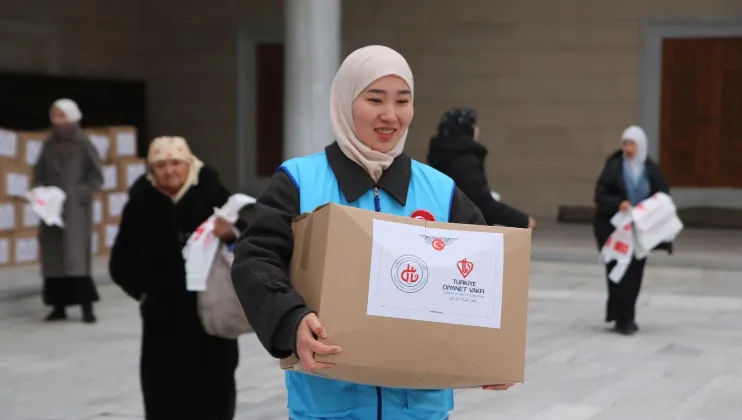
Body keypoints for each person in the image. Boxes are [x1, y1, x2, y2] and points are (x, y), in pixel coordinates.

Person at [231, 45, 513, 420]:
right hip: (329, 407)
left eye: (403, 100)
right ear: (346, 101)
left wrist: (491, 352)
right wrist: (291, 320)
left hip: (420, 410)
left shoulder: (440, 191)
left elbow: (485, 275)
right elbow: (255, 259)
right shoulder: (300, 181)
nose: (390, 115)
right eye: (375, 99)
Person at [109, 136, 243, 420]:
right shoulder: (140, 204)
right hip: (163, 319)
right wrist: (146, 292)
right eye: (161, 165)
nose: (169, 170)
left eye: (176, 163)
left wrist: (230, 235)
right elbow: (120, 262)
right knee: (165, 394)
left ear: (189, 163)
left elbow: (250, 244)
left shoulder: (214, 195)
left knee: (214, 391)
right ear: (151, 169)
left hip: (209, 313)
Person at [593, 125, 673, 335]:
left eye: (632, 144)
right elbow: (600, 195)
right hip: (615, 229)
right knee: (618, 272)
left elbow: (663, 194)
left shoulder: (650, 169)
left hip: (639, 230)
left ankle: (627, 316)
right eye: (625, 144)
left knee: (635, 272)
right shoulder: (613, 167)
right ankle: (621, 317)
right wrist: (618, 203)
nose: (628, 148)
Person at [33, 98, 103, 323]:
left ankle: (87, 307)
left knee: (76, 258)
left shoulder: (83, 142)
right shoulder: (48, 144)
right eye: (55, 116)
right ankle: (58, 307)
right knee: (54, 259)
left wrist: (81, 193)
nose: (57, 120)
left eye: (62, 115)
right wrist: (40, 192)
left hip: (75, 210)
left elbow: (96, 175)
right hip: (51, 210)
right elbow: (39, 172)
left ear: (73, 116)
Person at [426, 107, 535, 229]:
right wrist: (522, 220)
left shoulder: (440, 157)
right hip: (466, 231)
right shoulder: (465, 163)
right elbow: (483, 204)